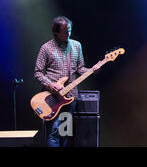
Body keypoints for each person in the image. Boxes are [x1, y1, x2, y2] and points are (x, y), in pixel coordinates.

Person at [34, 16, 99, 147]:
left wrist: (92, 70)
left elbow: (80, 68)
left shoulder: (76, 45)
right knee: (53, 133)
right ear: (56, 32)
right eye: (65, 31)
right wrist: (50, 84)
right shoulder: (46, 48)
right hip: (52, 99)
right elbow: (38, 72)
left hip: (70, 98)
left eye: (69, 30)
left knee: (65, 133)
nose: (68, 34)